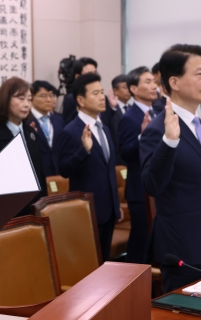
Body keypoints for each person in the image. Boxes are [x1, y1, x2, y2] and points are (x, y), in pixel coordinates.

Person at [140, 44, 201, 292]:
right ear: (174, 82)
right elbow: (152, 185)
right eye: (199, 74)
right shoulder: (158, 129)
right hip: (184, 250)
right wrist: (169, 142)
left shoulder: (199, 123)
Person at [57, 72, 121, 261]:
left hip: (108, 211)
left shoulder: (105, 128)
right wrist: (83, 151)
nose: (102, 97)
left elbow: (108, 170)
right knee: (90, 266)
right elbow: (64, 169)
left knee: (106, 263)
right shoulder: (71, 131)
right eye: (95, 93)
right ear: (81, 100)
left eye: (102, 92)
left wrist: (116, 206)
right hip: (87, 212)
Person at [0, 77, 47, 215]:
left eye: (29, 99)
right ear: (6, 100)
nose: (26, 104)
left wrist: (43, 205)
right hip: (8, 211)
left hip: (35, 207)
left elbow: (40, 174)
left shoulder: (31, 133)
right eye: (20, 98)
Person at [118, 66, 157, 264]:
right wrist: (143, 135)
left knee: (156, 243)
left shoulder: (158, 112)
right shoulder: (128, 118)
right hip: (139, 190)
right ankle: (135, 285)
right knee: (140, 242)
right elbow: (125, 154)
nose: (154, 86)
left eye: (154, 81)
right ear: (134, 88)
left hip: (157, 187)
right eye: (148, 82)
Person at [61, 57, 116, 126]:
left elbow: (108, 123)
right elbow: (68, 124)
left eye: (95, 73)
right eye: (89, 74)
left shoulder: (103, 97)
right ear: (77, 77)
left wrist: (113, 108)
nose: (93, 77)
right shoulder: (72, 99)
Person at [29, 80, 64, 177]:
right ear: (31, 98)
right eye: (43, 96)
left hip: (59, 176)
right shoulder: (25, 121)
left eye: (51, 95)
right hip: (36, 176)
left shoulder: (59, 121)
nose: (49, 100)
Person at [108, 74, 131, 165]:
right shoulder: (110, 110)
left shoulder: (132, 109)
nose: (129, 90)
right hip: (117, 159)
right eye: (125, 87)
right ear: (115, 91)